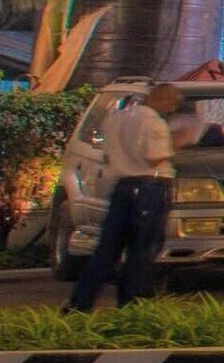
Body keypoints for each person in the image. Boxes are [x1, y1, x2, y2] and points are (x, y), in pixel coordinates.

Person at [68, 82, 186, 311]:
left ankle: (80, 302)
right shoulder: (154, 123)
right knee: (142, 249)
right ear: (162, 100)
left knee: (107, 249)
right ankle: (131, 303)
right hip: (150, 187)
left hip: (122, 187)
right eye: (172, 103)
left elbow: (109, 153)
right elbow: (155, 157)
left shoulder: (115, 119)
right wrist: (178, 143)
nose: (172, 109)